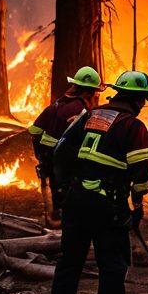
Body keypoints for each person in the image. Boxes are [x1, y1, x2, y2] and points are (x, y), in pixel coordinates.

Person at [49, 70, 148, 294]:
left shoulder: (90, 115)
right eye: (144, 99)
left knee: (69, 263)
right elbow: (141, 173)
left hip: (76, 199)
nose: (144, 104)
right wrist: (138, 203)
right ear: (137, 99)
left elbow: (61, 151)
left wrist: (63, 189)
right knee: (112, 267)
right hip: (107, 205)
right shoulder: (133, 127)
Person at [28, 67, 104, 222]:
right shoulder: (81, 110)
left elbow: (34, 130)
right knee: (69, 199)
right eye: (95, 92)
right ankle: (64, 231)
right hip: (65, 162)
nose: (96, 96)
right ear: (87, 92)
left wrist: (40, 153)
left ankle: (55, 223)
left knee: (56, 195)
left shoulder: (55, 105)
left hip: (48, 158)